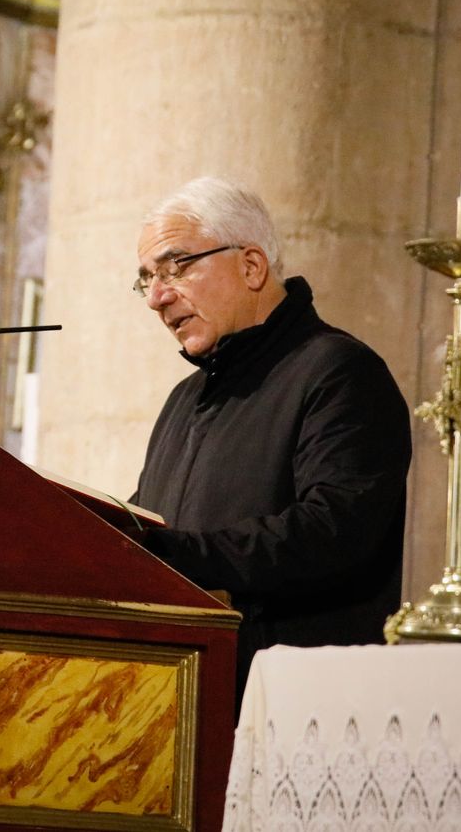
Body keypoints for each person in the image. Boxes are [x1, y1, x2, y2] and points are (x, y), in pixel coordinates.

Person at [130, 177, 411, 694]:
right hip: (178, 697)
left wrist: (176, 552)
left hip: (295, 697)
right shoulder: (184, 400)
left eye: (175, 267)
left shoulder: (338, 371)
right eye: (146, 278)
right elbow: (149, 523)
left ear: (252, 265)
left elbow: (335, 531)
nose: (156, 298)